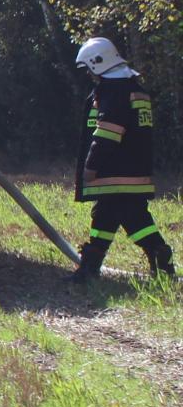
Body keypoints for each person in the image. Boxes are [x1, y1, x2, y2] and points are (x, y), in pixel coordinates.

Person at [67, 37, 173, 284]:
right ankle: (91, 268)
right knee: (109, 217)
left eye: (89, 68)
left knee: (129, 217)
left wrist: (91, 166)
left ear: (97, 63)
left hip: (115, 174)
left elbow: (107, 133)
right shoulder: (134, 89)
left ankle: (158, 256)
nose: (89, 75)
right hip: (134, 170)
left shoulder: (114, 92)